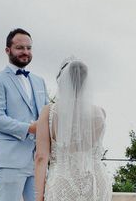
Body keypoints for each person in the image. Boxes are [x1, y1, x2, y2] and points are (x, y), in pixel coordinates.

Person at [34, 57, 112, 201]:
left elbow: (41, 157)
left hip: (62, 184)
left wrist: (38, 197)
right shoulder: (100, 113)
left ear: (62, 82)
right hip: (96, 183)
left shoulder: (49, 112)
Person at [0, 28, 49, 201]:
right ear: (8, 50)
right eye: (20, 48)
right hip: (9, 160)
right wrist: (30, 128)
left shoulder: (39, 81)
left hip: (38, 160)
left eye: (29, 48)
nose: (25, 52)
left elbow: (47, 115)